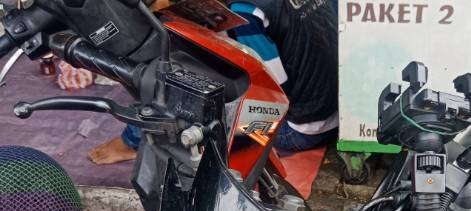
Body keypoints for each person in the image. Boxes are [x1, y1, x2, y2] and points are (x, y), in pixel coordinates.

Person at [88, 0, 338, 164]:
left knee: (183, 78)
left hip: (299, 128)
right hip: (342, 106)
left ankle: (134, 140)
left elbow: (272, 96)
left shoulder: (246, 13)